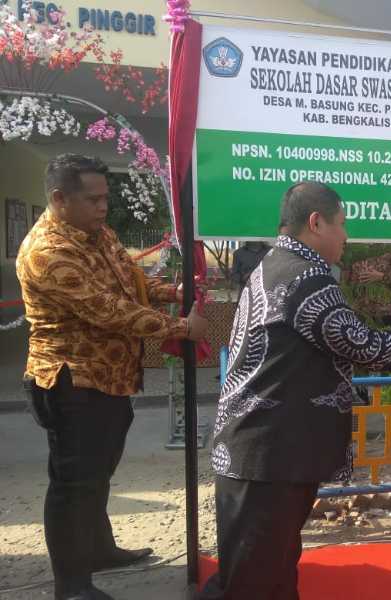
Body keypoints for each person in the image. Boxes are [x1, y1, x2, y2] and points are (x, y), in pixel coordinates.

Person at [200, 181, 391, 600]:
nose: (346, 236)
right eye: (342, 224)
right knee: (249, 580)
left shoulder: (276, 263)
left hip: (266, 449)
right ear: (316, 223)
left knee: (273, 568)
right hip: (267, 453)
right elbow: (356, 342)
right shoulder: (305, 276)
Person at [17, 154, 209, 600]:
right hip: (71, 381)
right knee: (74, 484)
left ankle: (98, 549)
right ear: (59, 199)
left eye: (106, 198)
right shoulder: (48, 250)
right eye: (93, 199)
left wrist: (172, 291)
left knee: (98, 472)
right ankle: (71, 586)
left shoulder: (98, 234)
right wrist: (181, 327)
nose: (103, 207)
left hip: (110, 379)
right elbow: (108, 309)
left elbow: (129, 281)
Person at [343, 247, 391, 329]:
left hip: (382, 312)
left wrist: (382, 277)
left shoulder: (390, 248)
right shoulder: (355, 247)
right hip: (357, 311)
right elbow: (344, 282)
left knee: (384, 337)